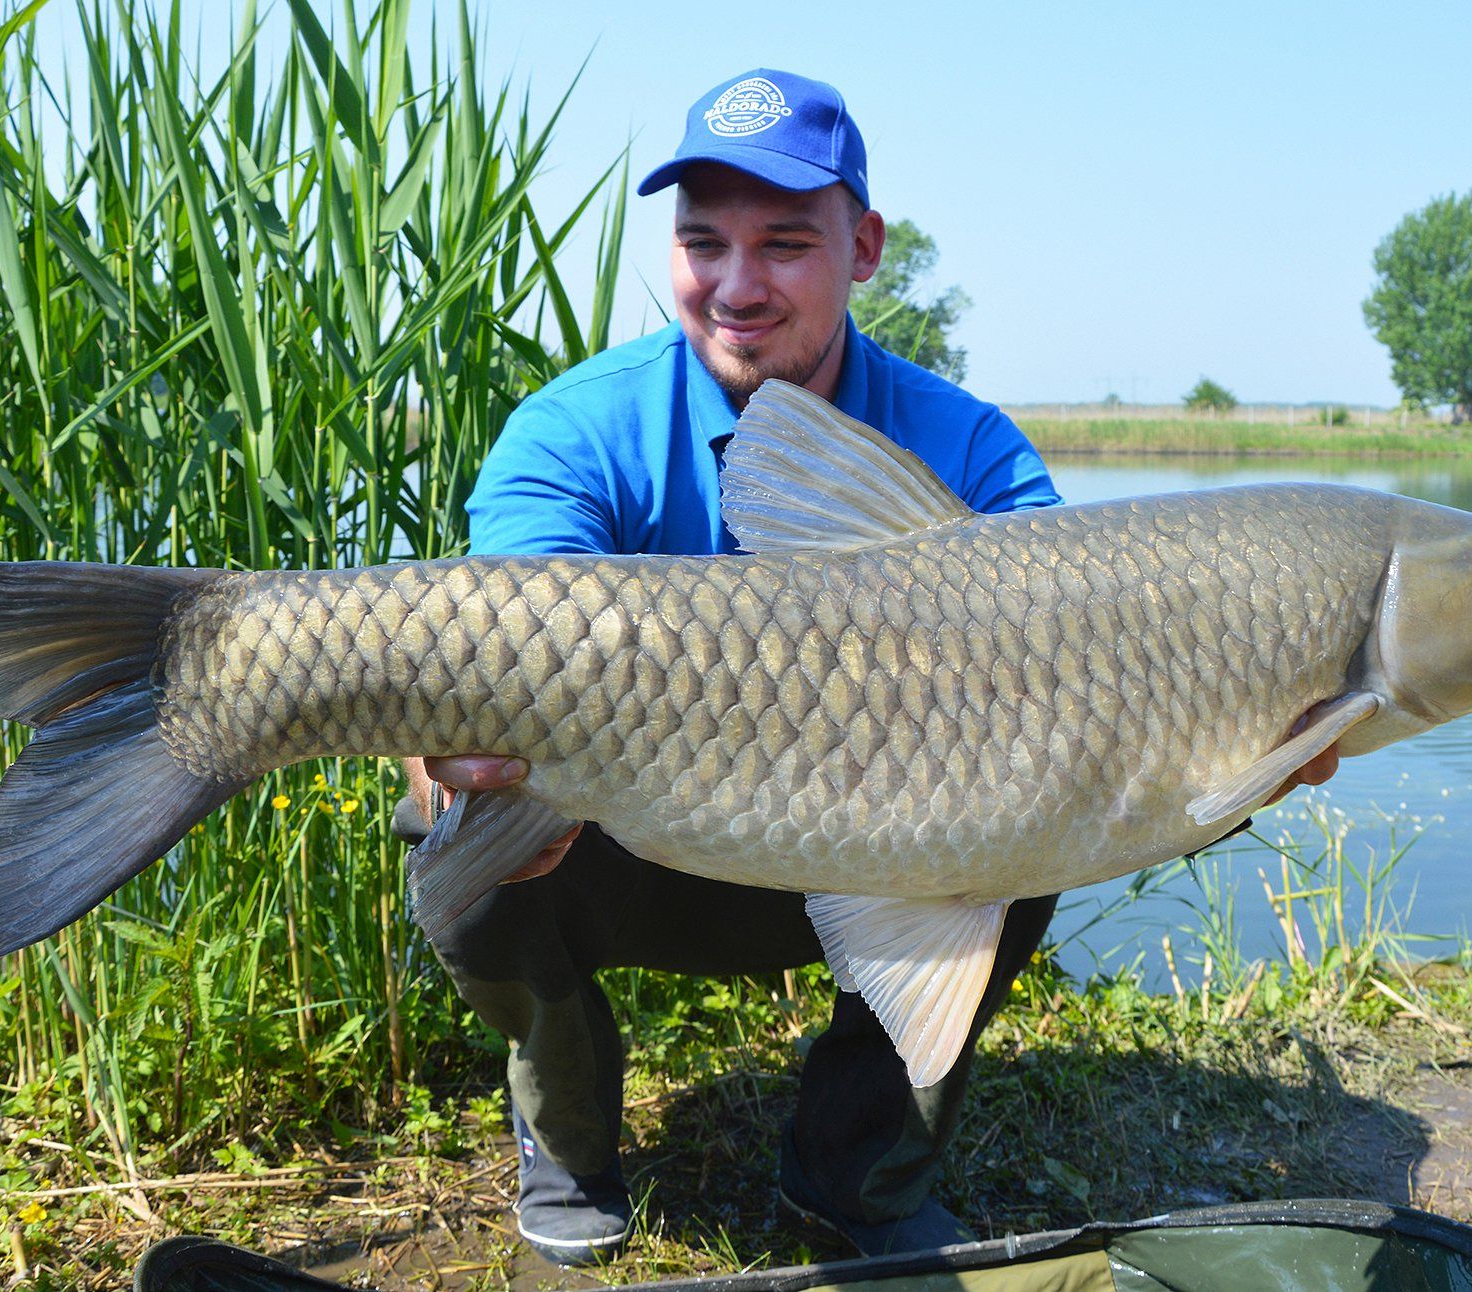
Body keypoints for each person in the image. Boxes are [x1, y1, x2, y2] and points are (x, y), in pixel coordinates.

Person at [395, 69, 1338, 1266]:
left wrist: (1256, 724)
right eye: (703, 243)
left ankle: (855, 1170)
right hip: (629, 839)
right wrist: (451, 729)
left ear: (866, 246)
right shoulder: (575, 429)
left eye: (785, 243)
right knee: (451, 810)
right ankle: (570, 1138)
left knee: (1042, 808)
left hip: (888, 839)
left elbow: (1103, 668)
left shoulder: (969, 445)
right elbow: (505, 642)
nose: (737, 286)